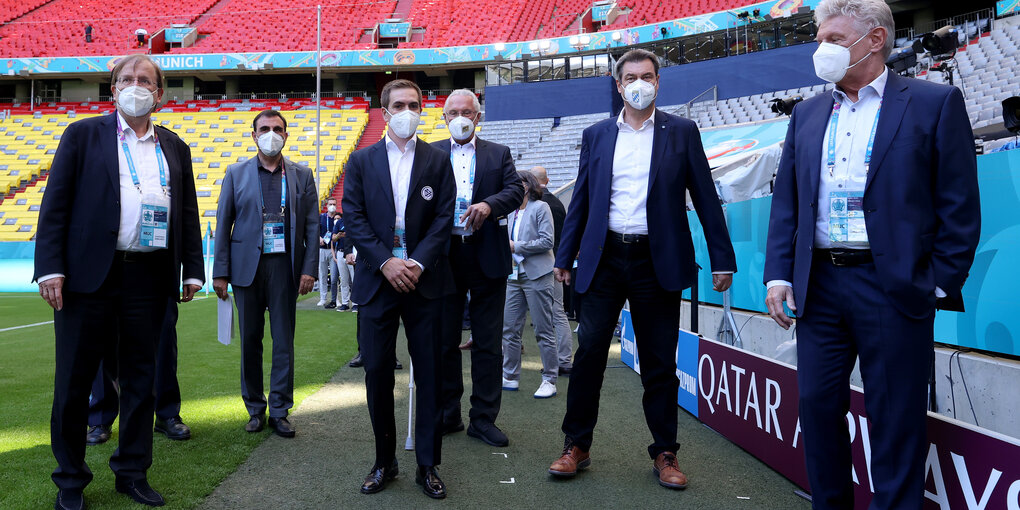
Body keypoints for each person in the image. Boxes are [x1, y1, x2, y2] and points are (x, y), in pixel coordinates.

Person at [763, 1, 980, 507]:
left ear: (875, 39)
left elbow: (959, 205)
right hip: (820, 287)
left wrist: (938, 283)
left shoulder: (934, 102)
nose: (822, 49)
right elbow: (788, 203)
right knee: (816, 408)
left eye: (834, 39)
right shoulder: (808, 113)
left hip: (895, 288)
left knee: (896, 419)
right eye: (820, 38)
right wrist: (779, 275)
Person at [548, 48, 736, 489]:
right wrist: (563, 256)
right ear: (618, 85)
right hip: (604, 258)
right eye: (630, 76)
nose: (639, 83)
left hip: (658, 261)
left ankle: (665, 452)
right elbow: (582, 201)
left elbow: (706, 198)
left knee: (658, 362)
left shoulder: (682, 131)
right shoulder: (596, 134)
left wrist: (722, 259)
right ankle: (576, 445)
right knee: (590, 353)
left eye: (647, 76)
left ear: (657, 83)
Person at [33, 54, 204, 509]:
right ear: (113, 90)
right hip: (87, 279)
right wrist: (50, 267)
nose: (134, 85)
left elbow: (187, 212)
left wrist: (195, 268)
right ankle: (70, 480)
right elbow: (55, 205)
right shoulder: (82, 136)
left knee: (141, 381)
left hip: (148, 278)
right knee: (72, 383)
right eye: (126, 79)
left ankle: (131, 471)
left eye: (144, 80)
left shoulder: (175, 147)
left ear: (159, 94)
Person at [342, 79, 455, 499]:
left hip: (425, 282)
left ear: (422, 109)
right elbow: (353, 217)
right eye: (399, 105)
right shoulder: (361, 160)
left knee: (429, 374)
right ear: (384, 112)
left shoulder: (437, 159)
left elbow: (445, 218)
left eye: (414, 104)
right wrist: (386, 261)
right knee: (375, 373)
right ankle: (383, 460)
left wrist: (417, 262)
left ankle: (427, 465)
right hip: (377, 281)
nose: (407, 110)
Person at [212, 109, 318, 439]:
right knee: (250, 342)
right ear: (254, 134)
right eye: (265, 128)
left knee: (283, 341)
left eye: (277, 129)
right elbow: (223, 222)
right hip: (247, 269)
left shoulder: (302, 174)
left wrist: (309, 269)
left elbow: (313, 226)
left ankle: (281, 410)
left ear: (286, 135)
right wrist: (220, 272)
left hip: (285, 266)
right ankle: (255, 409)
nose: (271, 133)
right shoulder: (236, 172)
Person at [433, 89, 524, 446]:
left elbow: (515, 190)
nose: (460, 117)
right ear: (444, 117)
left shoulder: (498, 154)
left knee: (487, 342)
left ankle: (483, 418)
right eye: (453, 111)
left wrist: (489, 205)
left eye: (467, 112)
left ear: (478, 117)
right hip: (444, 255)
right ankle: (448, 412)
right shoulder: (431, 153)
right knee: (444, 341)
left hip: (486, 253)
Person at [87, 297, 192, 446]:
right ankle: (100, 418)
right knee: (104, 336)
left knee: (164, 337)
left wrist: (193, 274)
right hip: (107, 277)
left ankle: (167, 413)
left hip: (157, 276)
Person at [502, 171, 558, 398]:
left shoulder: (540, 207)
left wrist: (517, 247)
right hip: (513, 277)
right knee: (509, 329)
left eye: (517, 183)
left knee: (543, 330)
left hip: (537, 275)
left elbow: (547, 241)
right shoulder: (510, 211)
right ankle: (510, 375)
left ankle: (550, 379)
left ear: (526, 186)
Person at [530, 166, 572, 375]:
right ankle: (563, 360)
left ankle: (562, 361)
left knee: (554, 313)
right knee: (557, 312)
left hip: (543, 265)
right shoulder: (557, 203)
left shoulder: (538, 204)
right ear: (547, 179)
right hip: (556, 262)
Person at [318, 197, 342, 308]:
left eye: (334, 204)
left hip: (334, 251)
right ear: (326, 205)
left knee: (334, 277)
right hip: (322, 249)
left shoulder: (338, 218)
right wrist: (319, 238)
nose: (332, 206)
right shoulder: (321, 217)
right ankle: (323, 298)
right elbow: (315, 231)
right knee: (322, 275)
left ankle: (335, 298)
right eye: (330, 204)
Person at [332, 209, 355, 311]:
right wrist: (338, 235)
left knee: (354, 279)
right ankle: (345, 302)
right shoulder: (339, 222)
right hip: (341, 252)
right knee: (344, 279)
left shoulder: (355, 220)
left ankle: (356, 303)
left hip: (351, 251)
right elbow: (333, 238)